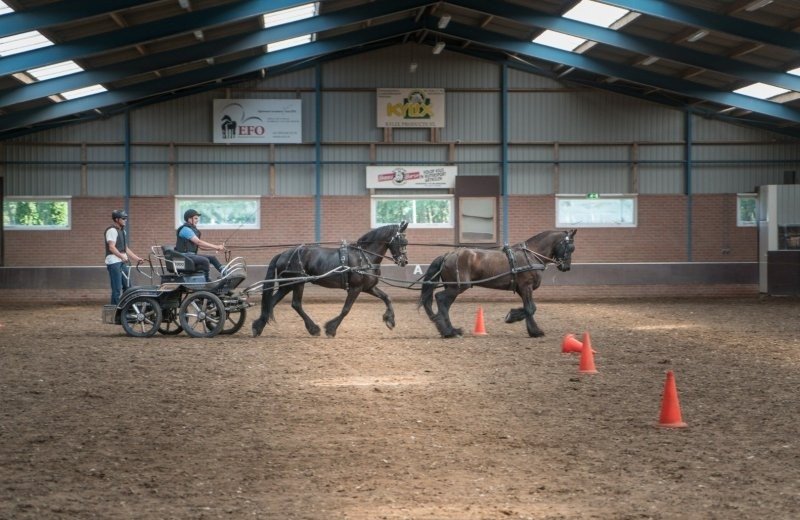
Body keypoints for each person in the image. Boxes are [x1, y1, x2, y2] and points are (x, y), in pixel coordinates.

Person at [105, 209, 143, 305]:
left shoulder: (122, 231)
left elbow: (125, 248)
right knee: (117, 288)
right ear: (117, 219)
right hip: (114, 262)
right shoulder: (112, 231)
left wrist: (136, 258)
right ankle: (115, 311)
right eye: (123, 218)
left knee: (128, 286)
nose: (125, 220)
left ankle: (127, 309)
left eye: (126, 218)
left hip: (122, 261)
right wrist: (122, 256)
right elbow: (112, 247)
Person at [176, 209, 225, 282]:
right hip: (184, 257)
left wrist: (215, 248)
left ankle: (225, 272)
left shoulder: (191, 229)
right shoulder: (185, 229)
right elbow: (199, 242)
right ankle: (206, 281)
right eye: (195, 218)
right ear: (189, 219)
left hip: (190, 256)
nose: (197, 220)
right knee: (205, 260)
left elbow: (200, 247)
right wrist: (216, 246)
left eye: (197, 218)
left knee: (212, 258)